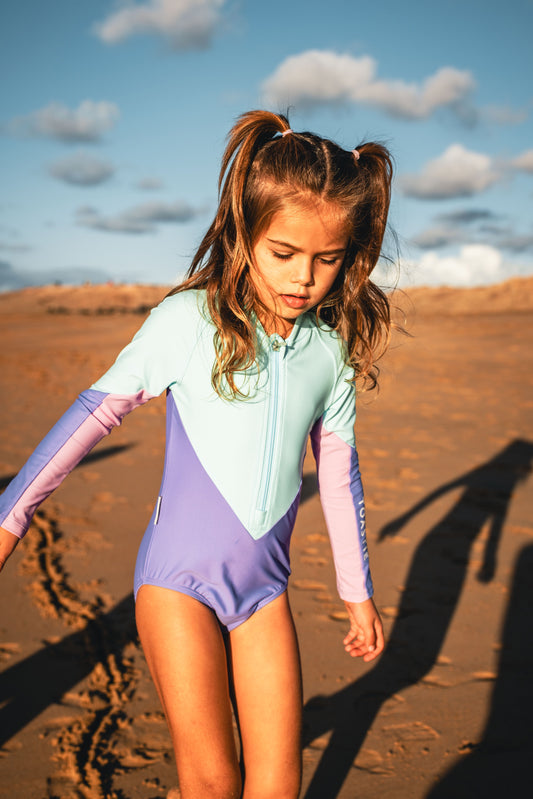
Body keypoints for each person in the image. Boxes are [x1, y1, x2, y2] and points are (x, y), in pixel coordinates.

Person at [0, 110, 393, 799]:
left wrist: (355, 591)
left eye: (326, 259)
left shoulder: (327, 353)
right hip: (175, 584)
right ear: (245, 232)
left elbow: (337, 474)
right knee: (210, 781)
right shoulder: (189, 321)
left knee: (277, 787)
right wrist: (10, 516)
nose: (304, 277)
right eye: (284, 253)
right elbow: (92, 418)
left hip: (263, 592)